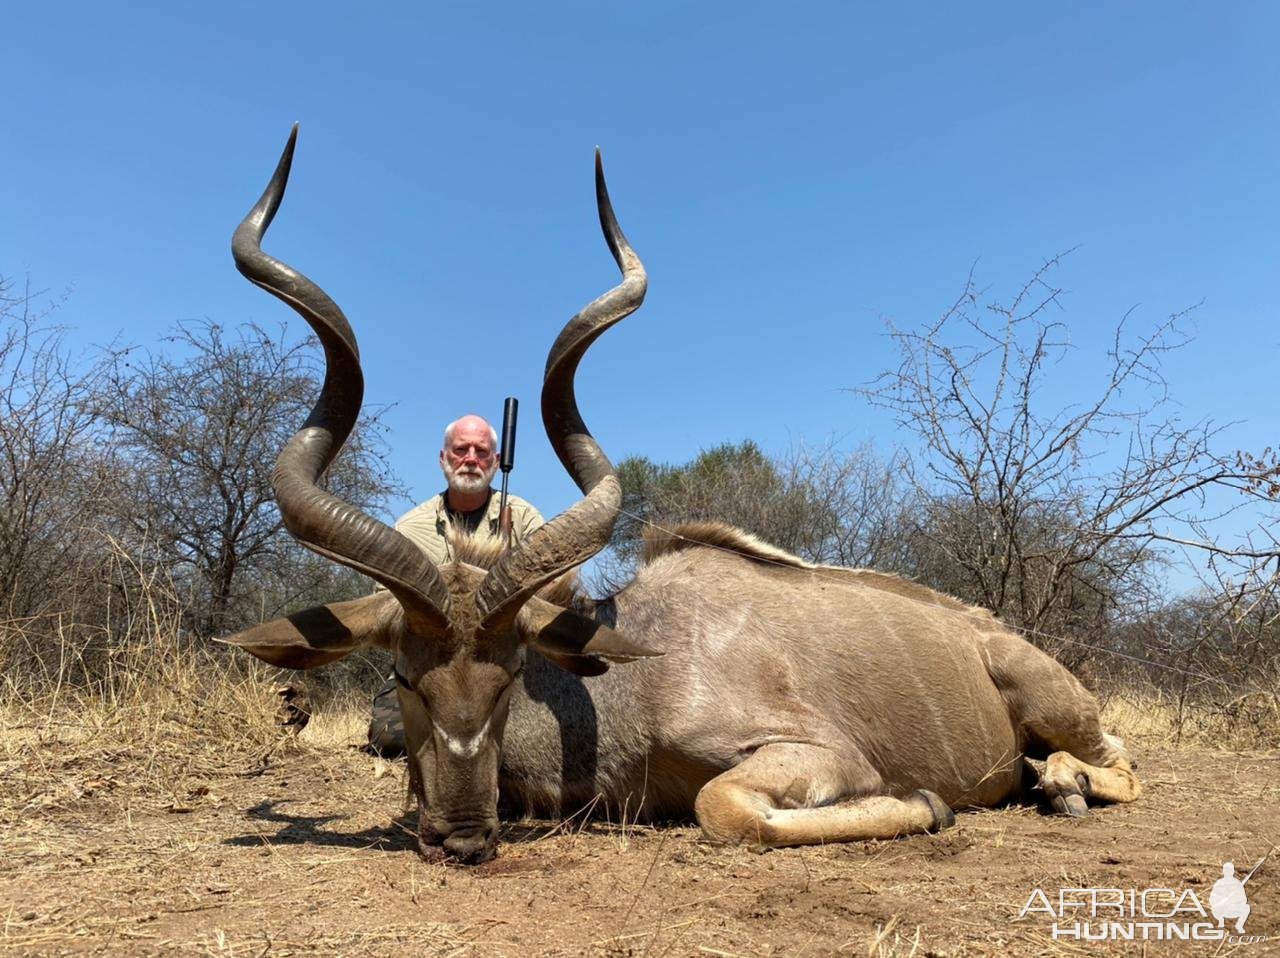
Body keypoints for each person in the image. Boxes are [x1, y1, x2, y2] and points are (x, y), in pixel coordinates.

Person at [367, 413, 544, 755]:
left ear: (496, 461)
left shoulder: (524, 519)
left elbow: (549, 596)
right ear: (443, 458)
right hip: (432, 667)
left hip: (501, 665)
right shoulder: (409, 528)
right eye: (461, 449)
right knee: (390, 738)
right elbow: (385, 607)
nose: (470, 459)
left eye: (481, 451)